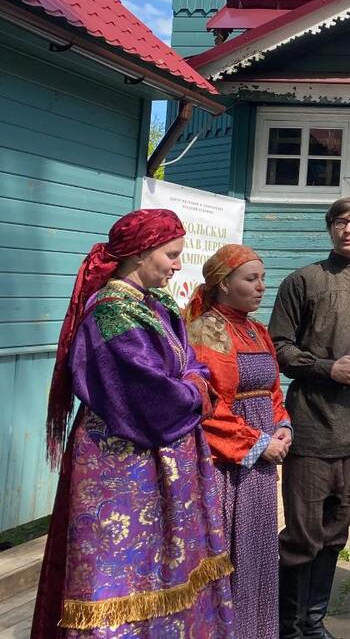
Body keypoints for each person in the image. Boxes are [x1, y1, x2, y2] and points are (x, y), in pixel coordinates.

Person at [32, 209, 234, 638]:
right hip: (124, 466)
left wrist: (192, 379)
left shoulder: (157, 303)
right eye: (172, 255)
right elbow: (152, 398)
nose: (179, 266)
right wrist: (197, 389)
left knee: (168, 572)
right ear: (141, 254)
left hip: (167, 458)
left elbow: (192, 363)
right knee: (124, 574)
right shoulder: (111, 314)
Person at [270, 198, 350, 639]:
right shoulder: (302, 281)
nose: (349, 230)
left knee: (335, 533)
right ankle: (288, 626)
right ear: (330, 227)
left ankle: (314, 620)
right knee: (302, 536)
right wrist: (330, 368)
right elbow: (281, 348)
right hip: (310, 427)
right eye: (342, 222)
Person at [185, 243, 291, 639]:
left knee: (258, 545)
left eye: (262, 277)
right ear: (223, 284)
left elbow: (273, 391)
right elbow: (207, 407)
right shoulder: (206, 330)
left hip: (264, 458)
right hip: (228, 463)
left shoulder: (257, 329)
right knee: (231, 547)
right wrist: (259, 443)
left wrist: (283, 428)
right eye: (252, 278)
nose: (262, 286)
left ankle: (257, 629)